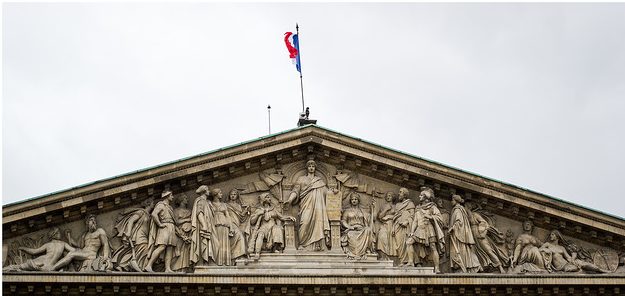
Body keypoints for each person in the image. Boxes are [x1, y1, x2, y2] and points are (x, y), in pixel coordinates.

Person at [284, 160, 330, 251]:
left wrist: (335, 193)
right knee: (304, 222)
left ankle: (318, 245)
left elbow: (327, 193)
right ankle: (303, 244)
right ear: (307, 168)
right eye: (309, 166)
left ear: (315, 168)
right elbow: (295, 191)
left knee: (319, 223)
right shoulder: (301, 179)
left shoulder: (319, 181)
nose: (311, 168)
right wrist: (289, 200)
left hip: (319, 208)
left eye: (313, 166)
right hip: (306, 205)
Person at [111, 198, 154, 272]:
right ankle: (139, 267)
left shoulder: (149, 215)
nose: (154, 204)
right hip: (138, 236)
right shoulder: (141, 212)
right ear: (149, 204)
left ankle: (127, 264)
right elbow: (131, 221)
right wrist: (128, 232)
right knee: (145, 249)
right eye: (153, 203)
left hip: (145, 236)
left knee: (141, 251)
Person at [248, 192, 296, 257]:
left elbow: (281, 217)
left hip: (272, 226)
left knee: (277, 229)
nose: (270, 198)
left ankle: (275, 248)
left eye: (269, 197)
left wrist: (289, 217)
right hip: (263, 227)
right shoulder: (259, 210)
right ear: (264, 199)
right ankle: (257, 252)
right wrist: (258, 214)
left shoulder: (273, 209)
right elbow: (252, 222)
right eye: (267, 197)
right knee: (260, 235)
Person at [409, 187, 445, 273]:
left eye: (421, 195)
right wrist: (412, 231)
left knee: (433, 247)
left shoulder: (432, 207)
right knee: (409, 242)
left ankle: (437, 267)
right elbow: (415, 221)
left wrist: (431, 217)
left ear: (426, 198)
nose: (419, 196)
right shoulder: (418, 208)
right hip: (419, 229)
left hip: (429, 229)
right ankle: (411, 262)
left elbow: (440, 219)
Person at [3, 228, 73, 272]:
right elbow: (74, 250)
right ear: (54, 235)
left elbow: (34, 251)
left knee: (21, 266)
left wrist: (23, 248)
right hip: (48, 264)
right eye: (58, 232)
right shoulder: (63, 244)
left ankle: (6, 269)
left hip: (43, 261)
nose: (60, 234)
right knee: (21, 267)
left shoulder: (48, 244)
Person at [466, 201, 508, 273]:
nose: (465, 208)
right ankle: (479, 267)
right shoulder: (465, 216)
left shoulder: (475, 215)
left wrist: (481, 232)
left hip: (479, 235)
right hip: (470, 236)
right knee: (471, 252)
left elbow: (484, 223)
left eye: (466, 206)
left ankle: (500, 267)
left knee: (488, 250)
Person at [539, 230, 609, 273]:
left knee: (584, 264)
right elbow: (539, 250)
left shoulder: (561, 247)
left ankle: (602, 270)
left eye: (552, 234)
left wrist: (573, 260)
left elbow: (568, 257)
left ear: (557, 236)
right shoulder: (547, 244)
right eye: (551, 234)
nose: (550, 236)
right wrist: (546, 250)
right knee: (574, 269)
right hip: (562, 267)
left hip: (567, 263)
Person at [208, 188, 247, 266]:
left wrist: (245, 211)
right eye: (231, 194)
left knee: (236, 238)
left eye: (234, 194)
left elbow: (232, 216)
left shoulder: (226, 205)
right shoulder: (211, 204)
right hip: (216, 224)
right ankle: (217, 261)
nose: (233, 196)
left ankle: (234, 258)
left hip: (228, 224)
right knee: (218, 243)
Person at [145, 190, 177, 272]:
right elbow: (154, 214)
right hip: (164, 226)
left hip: (171, 226)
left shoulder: (170, 207)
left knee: (170, 248)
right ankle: (149, 265)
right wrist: (159, 224)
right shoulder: (161, 205)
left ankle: (167, 268)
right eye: (171, 195)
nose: (172, 197)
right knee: (162, 246)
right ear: (167, 196)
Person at [448, 195, 481, 273]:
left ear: (456, 201)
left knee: (458, 251)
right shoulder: (459, 210)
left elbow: (459, 222)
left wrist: (452, 228)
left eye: (452, 200)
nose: (451, 202)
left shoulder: (458, 210)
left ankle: (461, 267)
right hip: (459, 235)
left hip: (459, 236)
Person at [341, 193, 375, 259]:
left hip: (362, 229)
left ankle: (367, 250)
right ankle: (355, 253)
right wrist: (349, 227)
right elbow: (343, 221)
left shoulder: (362, 211)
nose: (354, 200)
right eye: (352, 199)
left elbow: (372, 219)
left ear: (358, 200)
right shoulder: (347, 211)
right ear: (350, 201)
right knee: (350, 234)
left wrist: (373, 208)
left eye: (356, 199)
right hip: (351, 230)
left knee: (368, 230)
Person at [190, 185, 214, 266]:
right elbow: (199, 213)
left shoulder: (206, 202)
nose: (209, 191)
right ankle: (202, 262)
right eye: (207, 189)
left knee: (207, 243)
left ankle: (206, 261)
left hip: (208, 225)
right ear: (204, 191)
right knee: (203, 242)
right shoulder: (200, 201)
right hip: (204, 226)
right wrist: (204, 225)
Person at [393, 187, 415, 266]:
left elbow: (413, 215)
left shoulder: (410, 203)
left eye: (400, 192)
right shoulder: (397, 205)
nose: (399, 193)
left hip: (406, 227)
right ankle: (402, 260)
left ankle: (408, 261)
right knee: (399, 244)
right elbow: (395, 216)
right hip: (397, 226)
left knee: (406, 243)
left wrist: (406, 221)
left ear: (405, 194)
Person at [172, 195, 192, 271]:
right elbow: (176, 222)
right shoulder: (176, 211)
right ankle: (174, 269)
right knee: (178, 252)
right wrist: (187, 220)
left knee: (186, 252)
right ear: (181, 200)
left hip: (188, 233)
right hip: (179, 233)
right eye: (185, 198)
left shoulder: (189, 211)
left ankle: (184, 269)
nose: (187, 199)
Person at [376, 192, 397, 260]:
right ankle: (383, 255)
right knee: (382, 236)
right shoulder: (384, 206)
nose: (388, 197)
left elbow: (398, 216)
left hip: (393, 225)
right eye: (387, 196)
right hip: (384, 225)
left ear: (393, 197)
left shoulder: (396, 206)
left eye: (390, 196)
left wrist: (389, 217)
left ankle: (390, 257)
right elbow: (379, 216)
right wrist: (386, 209)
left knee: (391, 241)